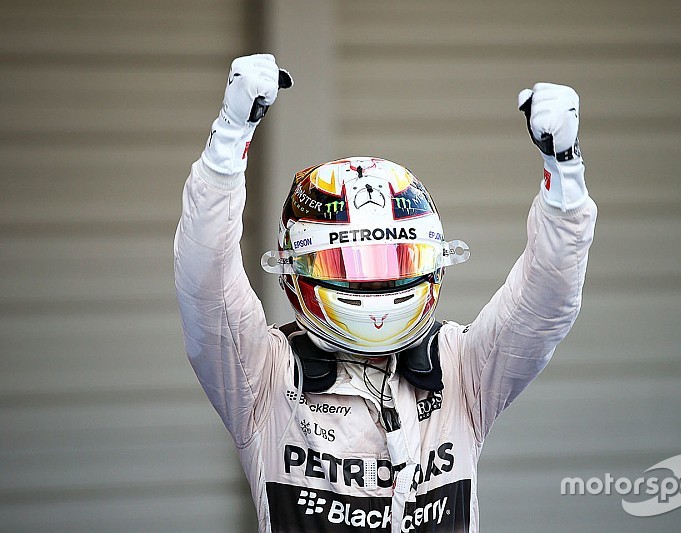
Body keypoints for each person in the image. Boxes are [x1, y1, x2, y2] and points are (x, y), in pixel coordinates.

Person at [174, 54, 596, 533]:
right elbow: (206, 287)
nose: (375, 285)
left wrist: (565, 176)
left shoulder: (461, 369)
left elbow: (547, 301)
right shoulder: (266, 377)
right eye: (348, 264)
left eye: (394, 263)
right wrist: (228, 140)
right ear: (296, 270)